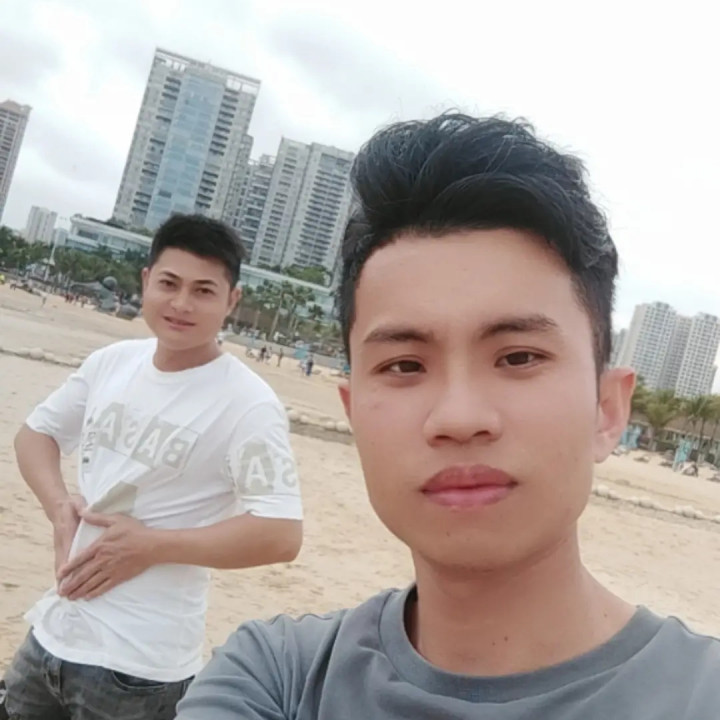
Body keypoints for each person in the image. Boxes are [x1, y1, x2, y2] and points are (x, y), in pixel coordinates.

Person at [176, 114, 720, 718]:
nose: (459, 418)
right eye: (405, 365)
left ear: (607, 409)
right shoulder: (279, 677)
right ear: (354, 415)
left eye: (518, 357)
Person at [1, 214, 303, 720]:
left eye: (203, 291)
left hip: (138, 667)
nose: (181, 303)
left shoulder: (247, 403)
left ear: (232, 300)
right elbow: (35, 435)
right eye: (169, 283)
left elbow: (281, 532)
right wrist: (59, 507)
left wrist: (154, 546)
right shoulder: (113, 362)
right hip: (53, 632)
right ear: (146, 281)